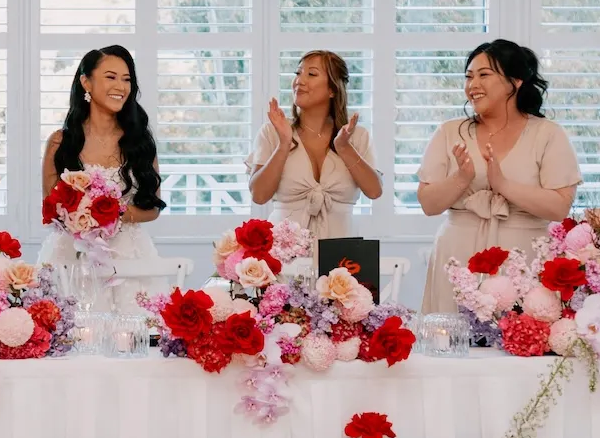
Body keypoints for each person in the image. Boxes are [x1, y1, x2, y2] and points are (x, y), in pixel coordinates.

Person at [416, 40, 580, 314]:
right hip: (458, 253)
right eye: (469, 76)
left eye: (484, 75)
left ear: (514, 82)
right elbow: (428, 204)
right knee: (452, 346)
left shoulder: (547, 133)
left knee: (521, 342)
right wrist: (461, 178)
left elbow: (560, 207)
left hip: (523, 256)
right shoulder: (448, 131)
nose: (472, 84)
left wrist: (503, 185)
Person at [41, 46, 165, 310]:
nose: (120, 85)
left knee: (133, 337)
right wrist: (80, 213)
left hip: (128, 256)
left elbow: (153, 207)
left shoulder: (139, 141)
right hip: (74, 255)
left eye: (127, 79)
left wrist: (112, 213)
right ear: (86, 81)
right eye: (111, 77)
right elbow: (50, 208)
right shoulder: (60, 143)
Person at [248, 49, 383, 239]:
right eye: (298, 73)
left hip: (341, 252)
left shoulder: (357, 136)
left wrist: (344, 148)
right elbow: (259, 195)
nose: (299, 81)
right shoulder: (272, 132)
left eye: (311, 74)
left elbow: (375, 191)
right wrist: (284, 143)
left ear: (332, 90)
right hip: (285, 251)